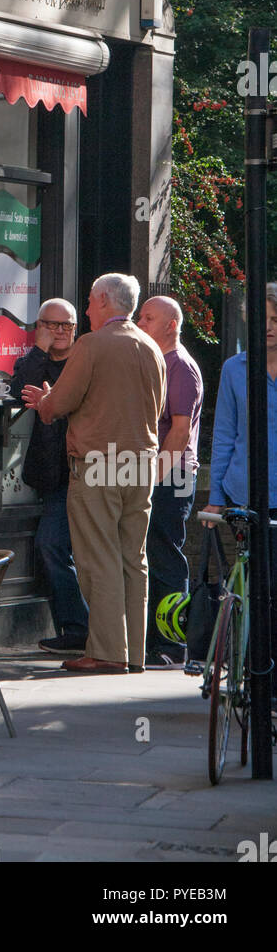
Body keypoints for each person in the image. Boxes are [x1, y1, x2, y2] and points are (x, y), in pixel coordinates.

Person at [22, 274, 165, 676]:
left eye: (88, 302)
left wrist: (47, 401)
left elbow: (58, 405)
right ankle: (133, 651)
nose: (84, 310)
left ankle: (105, 652)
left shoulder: (92, 344)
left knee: (97, 557)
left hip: (99, 463)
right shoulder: (152, 346)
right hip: (142, 461)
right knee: (133, 560)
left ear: (104, 301)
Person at [205, 284, 277, 702]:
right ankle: (248, 670)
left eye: (275, 320)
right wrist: (214, 497)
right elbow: (225, 435)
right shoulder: (235, 368)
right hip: (243, 493)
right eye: (261, 319)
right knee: (251, 586)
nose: (267, 328)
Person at [8, 299, 88, 655]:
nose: (59, 331)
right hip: (47, 473)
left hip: (78, 470)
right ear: (38, 326)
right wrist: (39, 349)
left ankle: (78, 629)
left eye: (66, 325)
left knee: (51, 545)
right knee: (54, 548)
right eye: (51, 325)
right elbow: (19, 390)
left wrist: (53, 401)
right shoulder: (32, 361)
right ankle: (73, 630)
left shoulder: (85, 362)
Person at [136, 295, 203, 668]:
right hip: (154, 472)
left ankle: (172, 645)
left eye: (148, 317)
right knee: (152, 552)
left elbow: (178, 433)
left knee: (165, 554)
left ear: (171, 325)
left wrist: (154, 479)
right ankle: (152, 641)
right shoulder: (156, 361)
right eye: (141, 316)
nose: (140, 322)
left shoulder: (181, 367)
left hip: (173, 473)